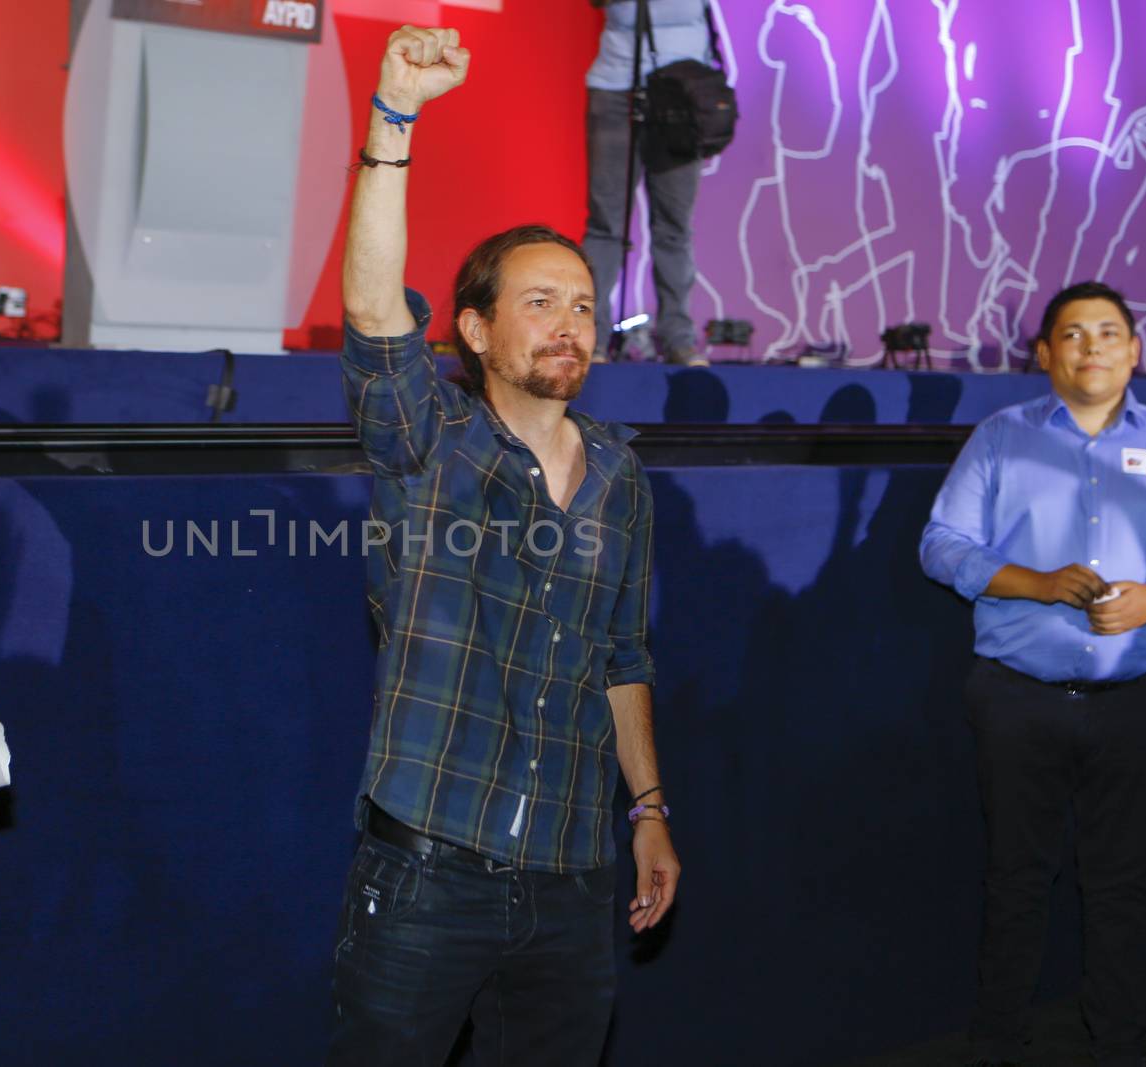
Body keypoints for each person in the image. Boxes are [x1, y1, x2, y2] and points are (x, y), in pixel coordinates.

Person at [328, 25, 680, 1066]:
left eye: (582, 304)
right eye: (538, 303)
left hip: (574, 881)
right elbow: (369, 305)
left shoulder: (621, 475)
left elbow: (624, 658)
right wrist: (394, 116)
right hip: (429, 872)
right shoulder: (426, 441)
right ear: (475, 332)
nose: (569, 322)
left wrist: (648, 809)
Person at [920, 281, 1146, 1067]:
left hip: (1140, 700)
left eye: (1108, 332)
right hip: (1017, 701)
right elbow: (941, 544)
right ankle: (998, 1040)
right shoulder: (1000, 437)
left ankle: (1123, 1041)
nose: (1091, 346)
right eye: (1072, 333)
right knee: (1016, 879)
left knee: (1124, 884)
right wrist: (1035, 581)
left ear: (1136, 350)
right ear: (1044, 354)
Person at [584, 0, 714, 364]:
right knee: (605, 222)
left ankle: (678, 339)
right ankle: (590, 334)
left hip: (683, 91)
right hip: (615, 89)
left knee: (674, 225)